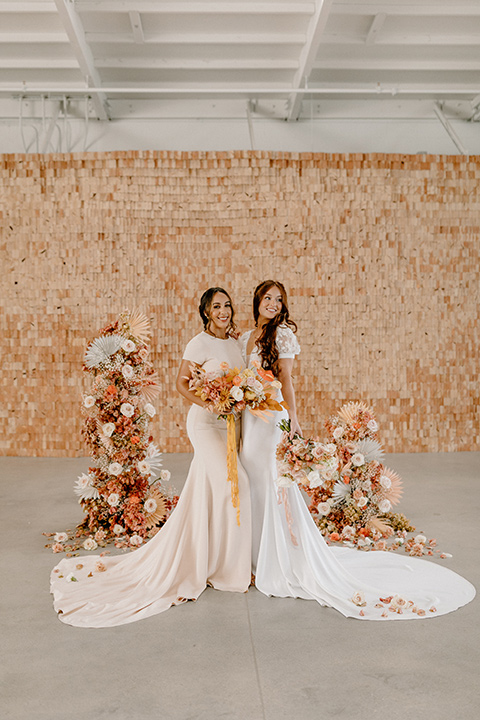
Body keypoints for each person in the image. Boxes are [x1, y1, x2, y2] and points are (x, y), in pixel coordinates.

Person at [240, 280, 475, 620]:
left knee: (272, 483)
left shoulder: (284, 335)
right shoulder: (246, 336)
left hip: (272, 419)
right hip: (250, 420)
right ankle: (251, 556)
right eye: (268, 298)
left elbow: (287, 380)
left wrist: (293, 420)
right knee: (254, 483)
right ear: (257, 300)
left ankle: (276, 557)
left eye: (279, 299)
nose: (273, 304)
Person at [50, 288, 251, 627]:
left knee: (209, 493)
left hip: (231, 425)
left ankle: (212, 558)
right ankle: (229, 571)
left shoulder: (234, 344)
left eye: (227, 305)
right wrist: (212, 403)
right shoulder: (197, 343)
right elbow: (182, 384)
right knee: (237, 485)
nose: (223, 311)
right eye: (216, 306)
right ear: (205, 312)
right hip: (205, 425)